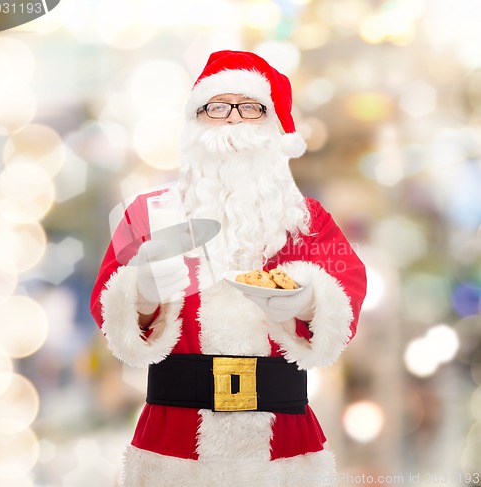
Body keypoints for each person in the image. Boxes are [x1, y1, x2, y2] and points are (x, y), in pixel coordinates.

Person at [90, 50, 367, 487]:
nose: (234, 120)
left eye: (250, 107)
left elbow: (345, 297)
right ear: (195, 123)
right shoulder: (147, 215)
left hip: (282, 445)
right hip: (174, 443)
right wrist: (141, 292)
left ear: (274, 126)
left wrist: (306, 299)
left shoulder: (307, 221)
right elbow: (111, 317)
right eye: (217, 108)